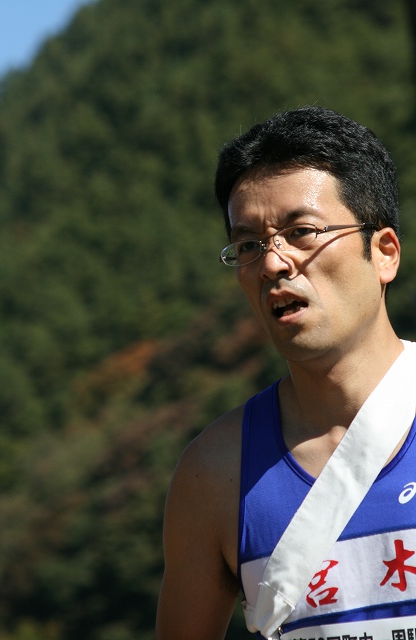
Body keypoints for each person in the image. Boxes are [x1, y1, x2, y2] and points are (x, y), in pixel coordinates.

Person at [155, 106, 416, 640]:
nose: (273, 263)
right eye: (249, 245)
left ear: (384, 253)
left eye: (302, 232)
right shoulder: (216, 474)